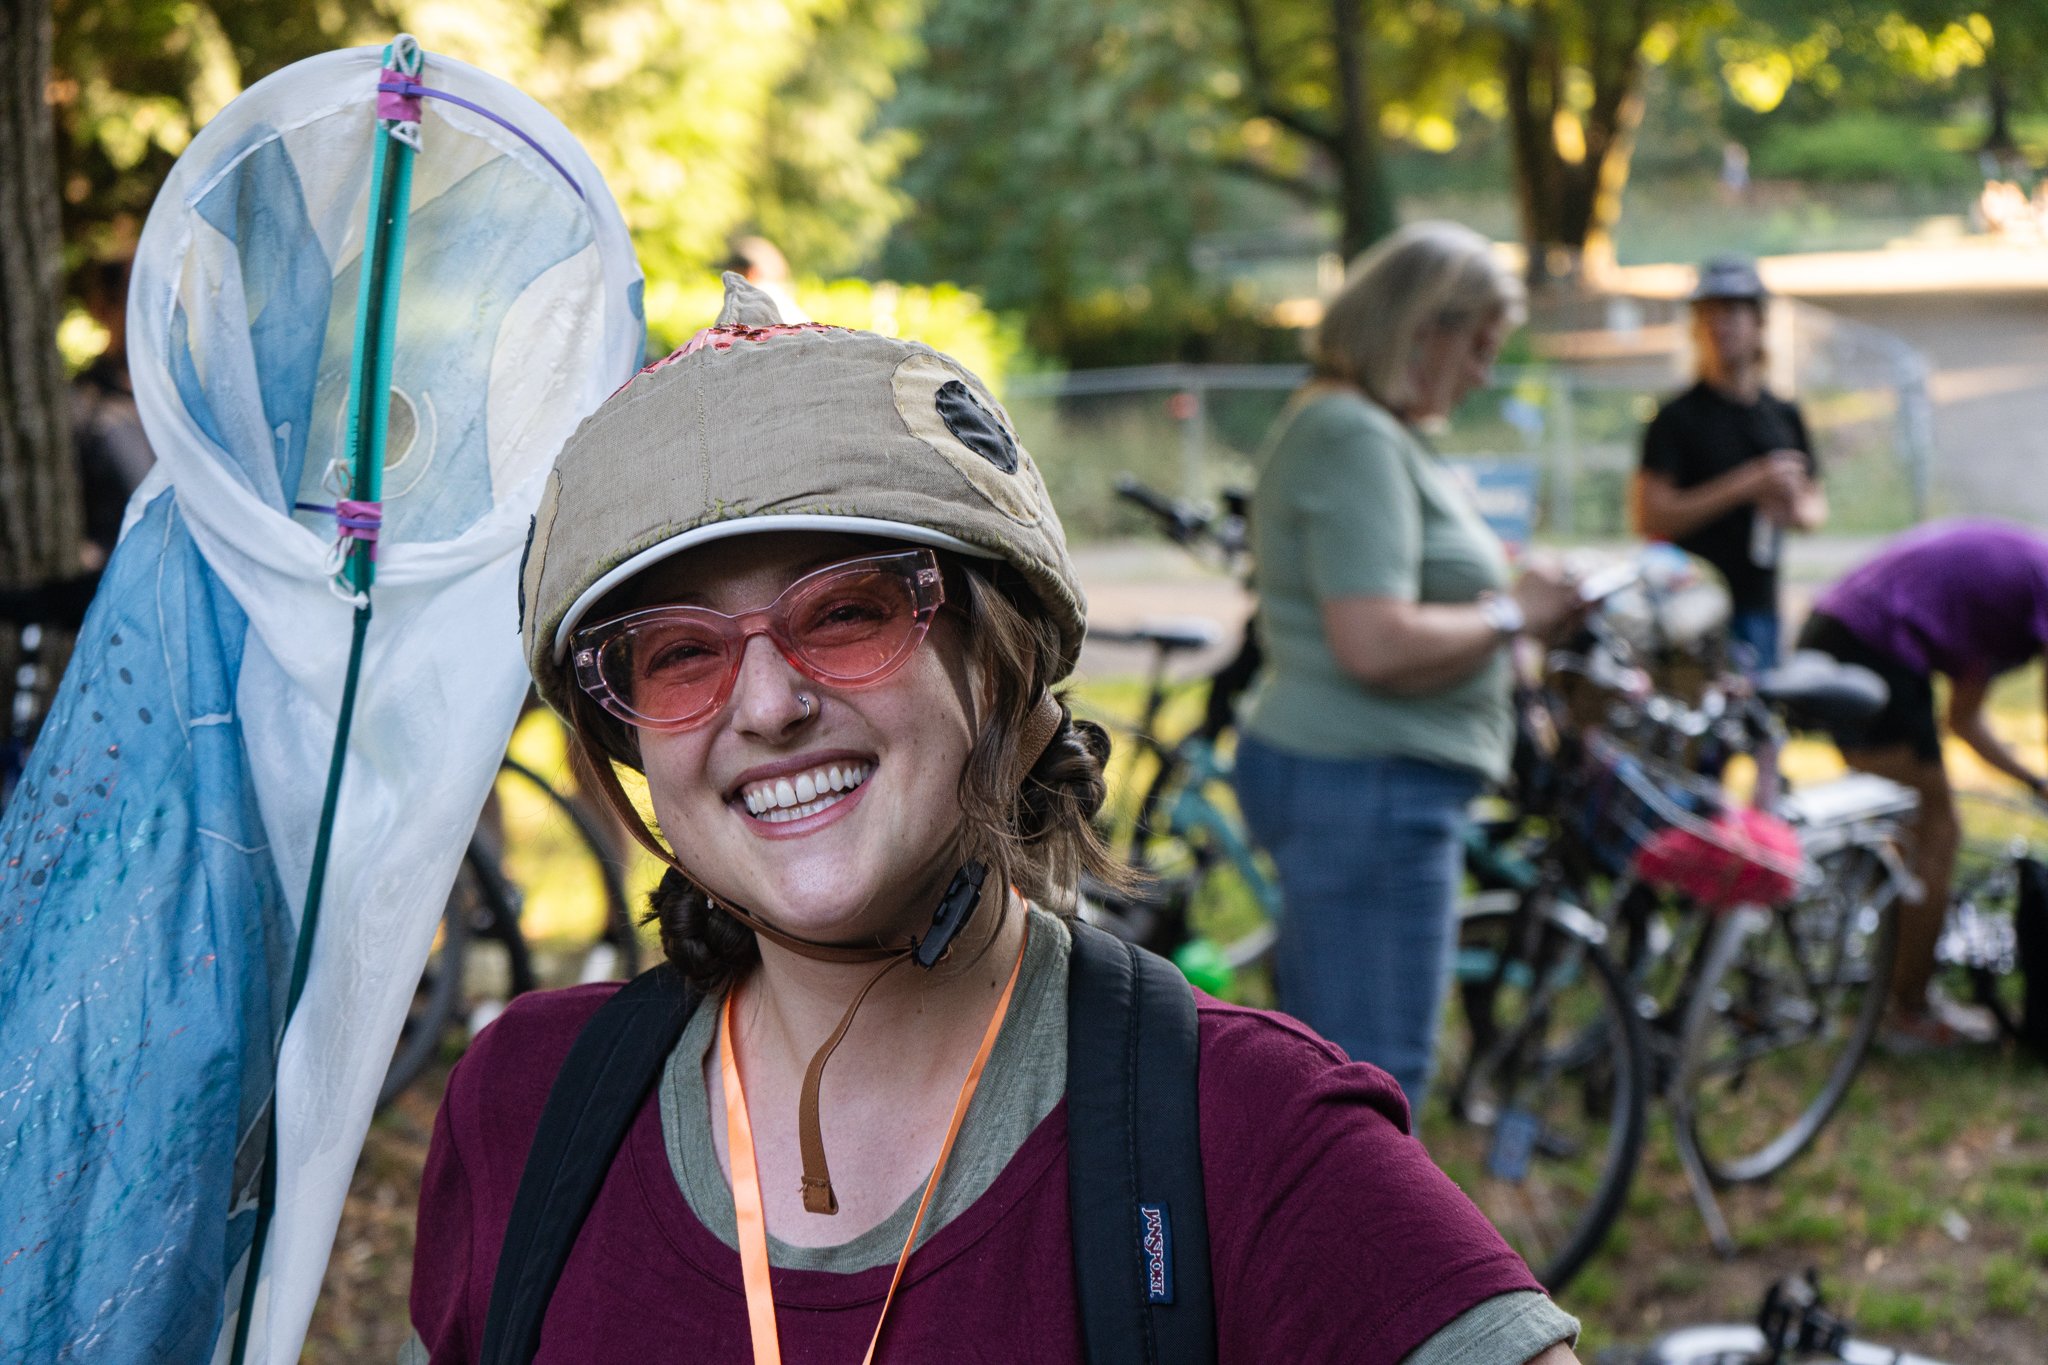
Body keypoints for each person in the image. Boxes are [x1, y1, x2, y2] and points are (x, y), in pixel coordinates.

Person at [402, 275, 1582, 1363]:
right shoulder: (528, 1108)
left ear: (1002, 670)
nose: (765, 704)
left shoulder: (1241, 1141)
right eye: (676, 656)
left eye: (850, 611)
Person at [1228, 222, 1584, 1111]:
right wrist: (1514, 612)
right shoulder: (1353, 436)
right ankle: (1339, 1257)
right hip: (1369, 788)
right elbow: (1374, 640)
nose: (1483, 374)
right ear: (1424, 329)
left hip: (1362, 787)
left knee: (1334, 1082)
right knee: (1374, 1089)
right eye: (1480, 347)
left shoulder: (1361, 426)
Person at [1796, 519, 2048, 1050]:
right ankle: (1907, 1011)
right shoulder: (2037, 581)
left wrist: (2031, 780)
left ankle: (1893, 983)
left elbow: (1964, 719)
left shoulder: (2009, 600)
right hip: (1868, 647)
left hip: (1841, 632)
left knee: (1912, 836)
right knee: (1935, 832)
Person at [1631, 256, 1826, 672]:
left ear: (1759, 323)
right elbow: (1650, 516)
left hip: (1761, 604)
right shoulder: (1676, 419)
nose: (1720, 326)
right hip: (1691, 609)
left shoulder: (1783, 414)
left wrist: (1792, 505)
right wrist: (1745, 484)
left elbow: (1814, 509)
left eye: (1733, 312)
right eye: (1709, 315)